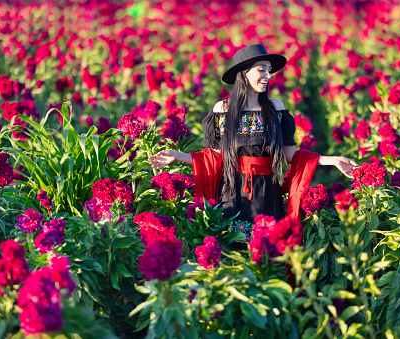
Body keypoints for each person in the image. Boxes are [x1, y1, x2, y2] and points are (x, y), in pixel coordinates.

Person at [149, 44, 357, 243]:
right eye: (261, 70)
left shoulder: (275, 107)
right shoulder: (223, 109)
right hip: (232, 192)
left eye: (269, 70)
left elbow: (290, 155)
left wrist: (333, 160)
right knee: (235, 247)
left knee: (268, 249)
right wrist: (176, 155)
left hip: (267, 193)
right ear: (244, 74)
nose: (268, 75)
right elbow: (213, 157)